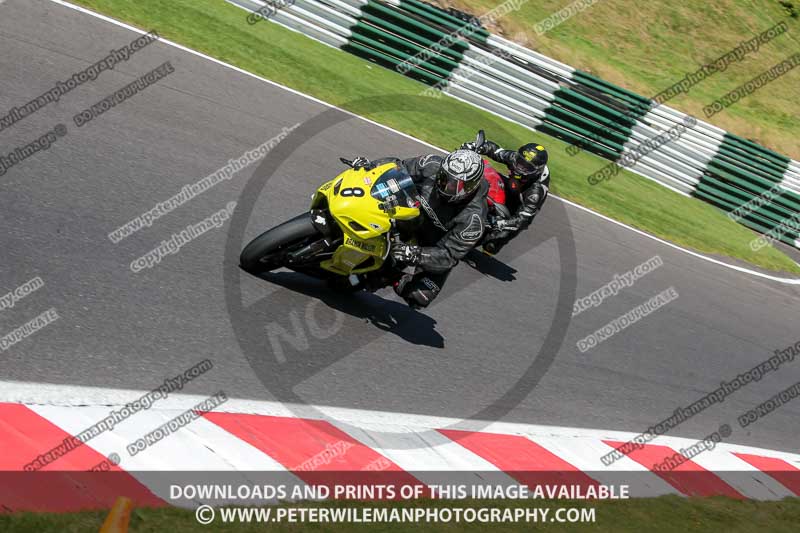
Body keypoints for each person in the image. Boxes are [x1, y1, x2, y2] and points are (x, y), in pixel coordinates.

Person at [351, 149, 488, 308]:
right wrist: (370, 166)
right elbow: (398, 166)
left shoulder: (474, 219)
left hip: (431, 246)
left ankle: (388, 275)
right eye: (444, 177)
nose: (445, 185)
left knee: (419, 296)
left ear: (470, 186)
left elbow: (449, 256)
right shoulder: (432, 163)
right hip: (407, 216)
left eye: (454, 184)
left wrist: (415, 254)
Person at [464, 139, 550, 254]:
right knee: (487, 178)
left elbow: (523, 219)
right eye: (520, 162)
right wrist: (477, 146)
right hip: (512, 185)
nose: (519, 168)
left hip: (523, 204)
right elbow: (496, 151)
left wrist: (499, 223)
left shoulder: (536, 192)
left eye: (526, 168)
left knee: (492, 245)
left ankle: (494, 243)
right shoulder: (515, 158)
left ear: (536, 171)